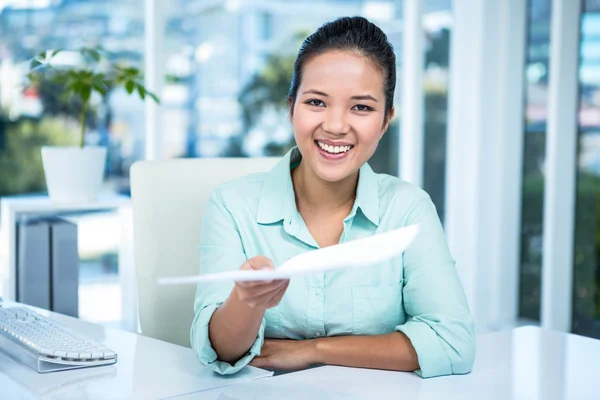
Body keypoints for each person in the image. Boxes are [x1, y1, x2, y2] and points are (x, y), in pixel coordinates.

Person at [190, 16, 475, 378]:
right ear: (291, 107)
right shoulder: (232, 206)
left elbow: (453, 343)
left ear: (386, 120)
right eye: (317, 102)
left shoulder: (408, 209)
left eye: (361, 107)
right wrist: (246, 303)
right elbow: (220, 351)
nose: (336, 126)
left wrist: (311, 351)